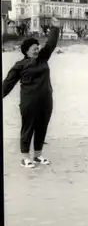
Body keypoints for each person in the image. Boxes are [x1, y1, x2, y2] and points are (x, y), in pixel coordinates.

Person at [2, 17, 61, 168]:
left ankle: (38, 155)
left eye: (37, 46)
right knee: (28, 128)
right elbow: (7, 84)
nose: (37, 48)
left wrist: (55, 28)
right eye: (34, 47)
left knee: (42, 127)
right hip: (29, 102)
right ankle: (25, 157)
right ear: (26, 51)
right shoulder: (20, 65)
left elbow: (51, 43)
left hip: (46, 100)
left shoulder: (43, 59)